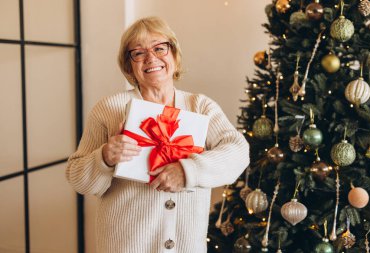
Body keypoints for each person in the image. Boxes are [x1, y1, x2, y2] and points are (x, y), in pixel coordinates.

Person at [66, 16, 249, 253]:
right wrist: (104, 157)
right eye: (138, 53)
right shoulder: (108, 109)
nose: (151, 58)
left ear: (173, 54)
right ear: (129, 64)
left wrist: (188, 171)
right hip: (124, 246)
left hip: (186, 246)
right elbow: (79, 179)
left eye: (159, 48)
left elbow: (238, 153)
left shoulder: (200, 106)